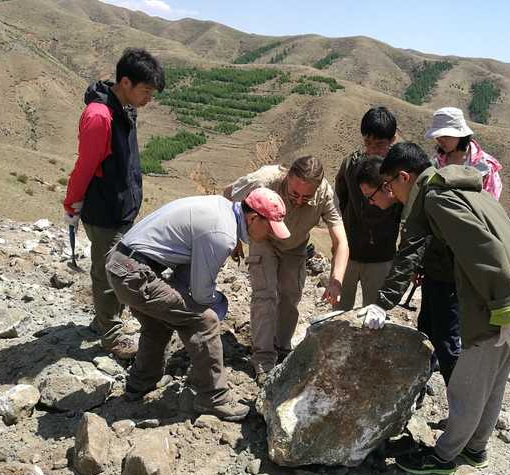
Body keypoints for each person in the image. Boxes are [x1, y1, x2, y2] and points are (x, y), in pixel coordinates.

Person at [363, 142, 510, 475]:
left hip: (498, 304)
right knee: (493, 383)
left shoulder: (436, 198)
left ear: (403, 177)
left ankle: (443, 457)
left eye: (389, 187)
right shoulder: (462, 186)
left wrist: (509, 317)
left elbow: (485, 253)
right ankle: (474, 449)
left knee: (467, 387)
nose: (392, 195)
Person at [105, 188, 291, 421]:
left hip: (124, 264)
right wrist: (220, 302)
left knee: (159, 322)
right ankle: (214, 397)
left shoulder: (220, 208)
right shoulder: (222, 233)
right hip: (135, 274)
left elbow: (186, 276)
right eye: (270, 229)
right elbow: (202, 295)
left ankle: (140, 384)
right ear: (253, 218)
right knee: (205, 320)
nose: (271, 236)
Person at [62, 48, 165, 359]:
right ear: (125, 82)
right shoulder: (99, 116)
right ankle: (111, 337)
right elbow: (85, 165)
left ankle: (104, 322)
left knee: (115, 269)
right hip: (105, 210)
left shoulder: (123, 107)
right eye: (146, 91)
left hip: (121, 207)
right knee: (108, 274)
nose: (149, 99)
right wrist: (72, 203)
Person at [223, 156, 349, 379]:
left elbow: (340, 241)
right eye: (293, 194)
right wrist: (235, 241)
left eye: (306, 196)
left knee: (290, 297)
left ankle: (282, 348)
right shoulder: (264, 180)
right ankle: (263, 358)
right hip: (264, 240)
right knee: (266, 296)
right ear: (287, 177)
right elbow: (228, 195)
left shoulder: (325, 194)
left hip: (295, 246)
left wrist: (336, 281)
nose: (299, 201)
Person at [411, 106, 505, 385]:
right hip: (436, 255)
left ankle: (459, 403)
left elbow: (488, 212)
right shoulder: (436, 162)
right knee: (427, 321)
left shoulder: (485, 167)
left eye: (445, 136)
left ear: (460, 135)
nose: (440, 141)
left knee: (449, 330)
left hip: (464, 255)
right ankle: (423, 373)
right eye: (438, 136)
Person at [335, 107, 402, 310]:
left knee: (374, 315)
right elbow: (340, 199)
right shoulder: (351, 164)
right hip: (348, 255)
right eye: (368, 143)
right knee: (338, 313)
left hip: (381, 258)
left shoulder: (400, 173)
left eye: (379, 144)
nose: (372, 149)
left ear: (393, 140)